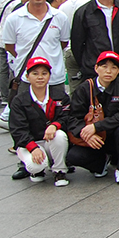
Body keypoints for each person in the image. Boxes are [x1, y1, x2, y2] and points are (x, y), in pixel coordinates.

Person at [67, 51, 119, 183]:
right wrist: (85, 134)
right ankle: (100, 164)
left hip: (114, 136)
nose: (108, 71)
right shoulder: (84, 89)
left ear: (118, 70)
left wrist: (96, 126)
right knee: (73, 156)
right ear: (96, 68)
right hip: (94, 139)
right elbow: (73, 118)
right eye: (104, 66)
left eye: (114, 67)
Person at [9, 57, 71, 186]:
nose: (40, 77)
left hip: (51, 140)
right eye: (35, 73)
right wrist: (32, 147)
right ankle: (37, 171)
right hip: (29, 143)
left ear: (49, 76)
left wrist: (55, 125)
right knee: (35, 166)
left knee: (59, 135)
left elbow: (68, 116)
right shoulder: (19, 101)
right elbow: (17, 129)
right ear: (27, 77)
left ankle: (59, 171)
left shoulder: (60, 96)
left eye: (44, 73)